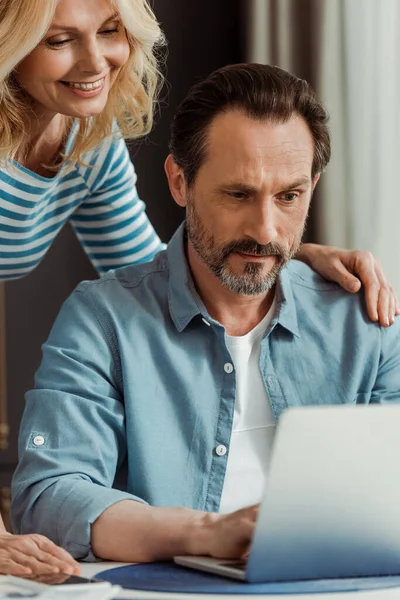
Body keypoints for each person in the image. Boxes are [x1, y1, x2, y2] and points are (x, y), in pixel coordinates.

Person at [1, 0, 396, 575]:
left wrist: (280, 258)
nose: (95, 61)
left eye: (110, 31)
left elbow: (158, 281)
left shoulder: (89, 143)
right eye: (59, 39)